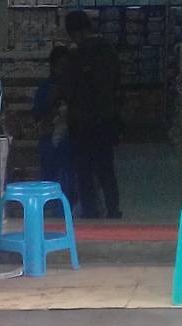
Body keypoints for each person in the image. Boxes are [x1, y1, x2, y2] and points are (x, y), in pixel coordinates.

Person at [57, 11, 122, 219]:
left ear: (74, 33)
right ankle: (113, 209)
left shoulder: (75, 56)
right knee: (106, 167)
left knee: (84, 169)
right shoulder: (109, 50)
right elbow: (117, 84)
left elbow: (68, 90)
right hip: (106, 118)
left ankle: (90, 211)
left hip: (81, 121)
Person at [32, 46, 77, 213]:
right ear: (52, 66)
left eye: (66, 66)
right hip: (49, 137)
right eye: (60, 66)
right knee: (50, 174)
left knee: (68, 174)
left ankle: (65, 207)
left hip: (68, 138)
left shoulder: (74, 87)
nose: (62, 70)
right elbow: (37, 113)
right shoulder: (46, 87)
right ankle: (50, 208)